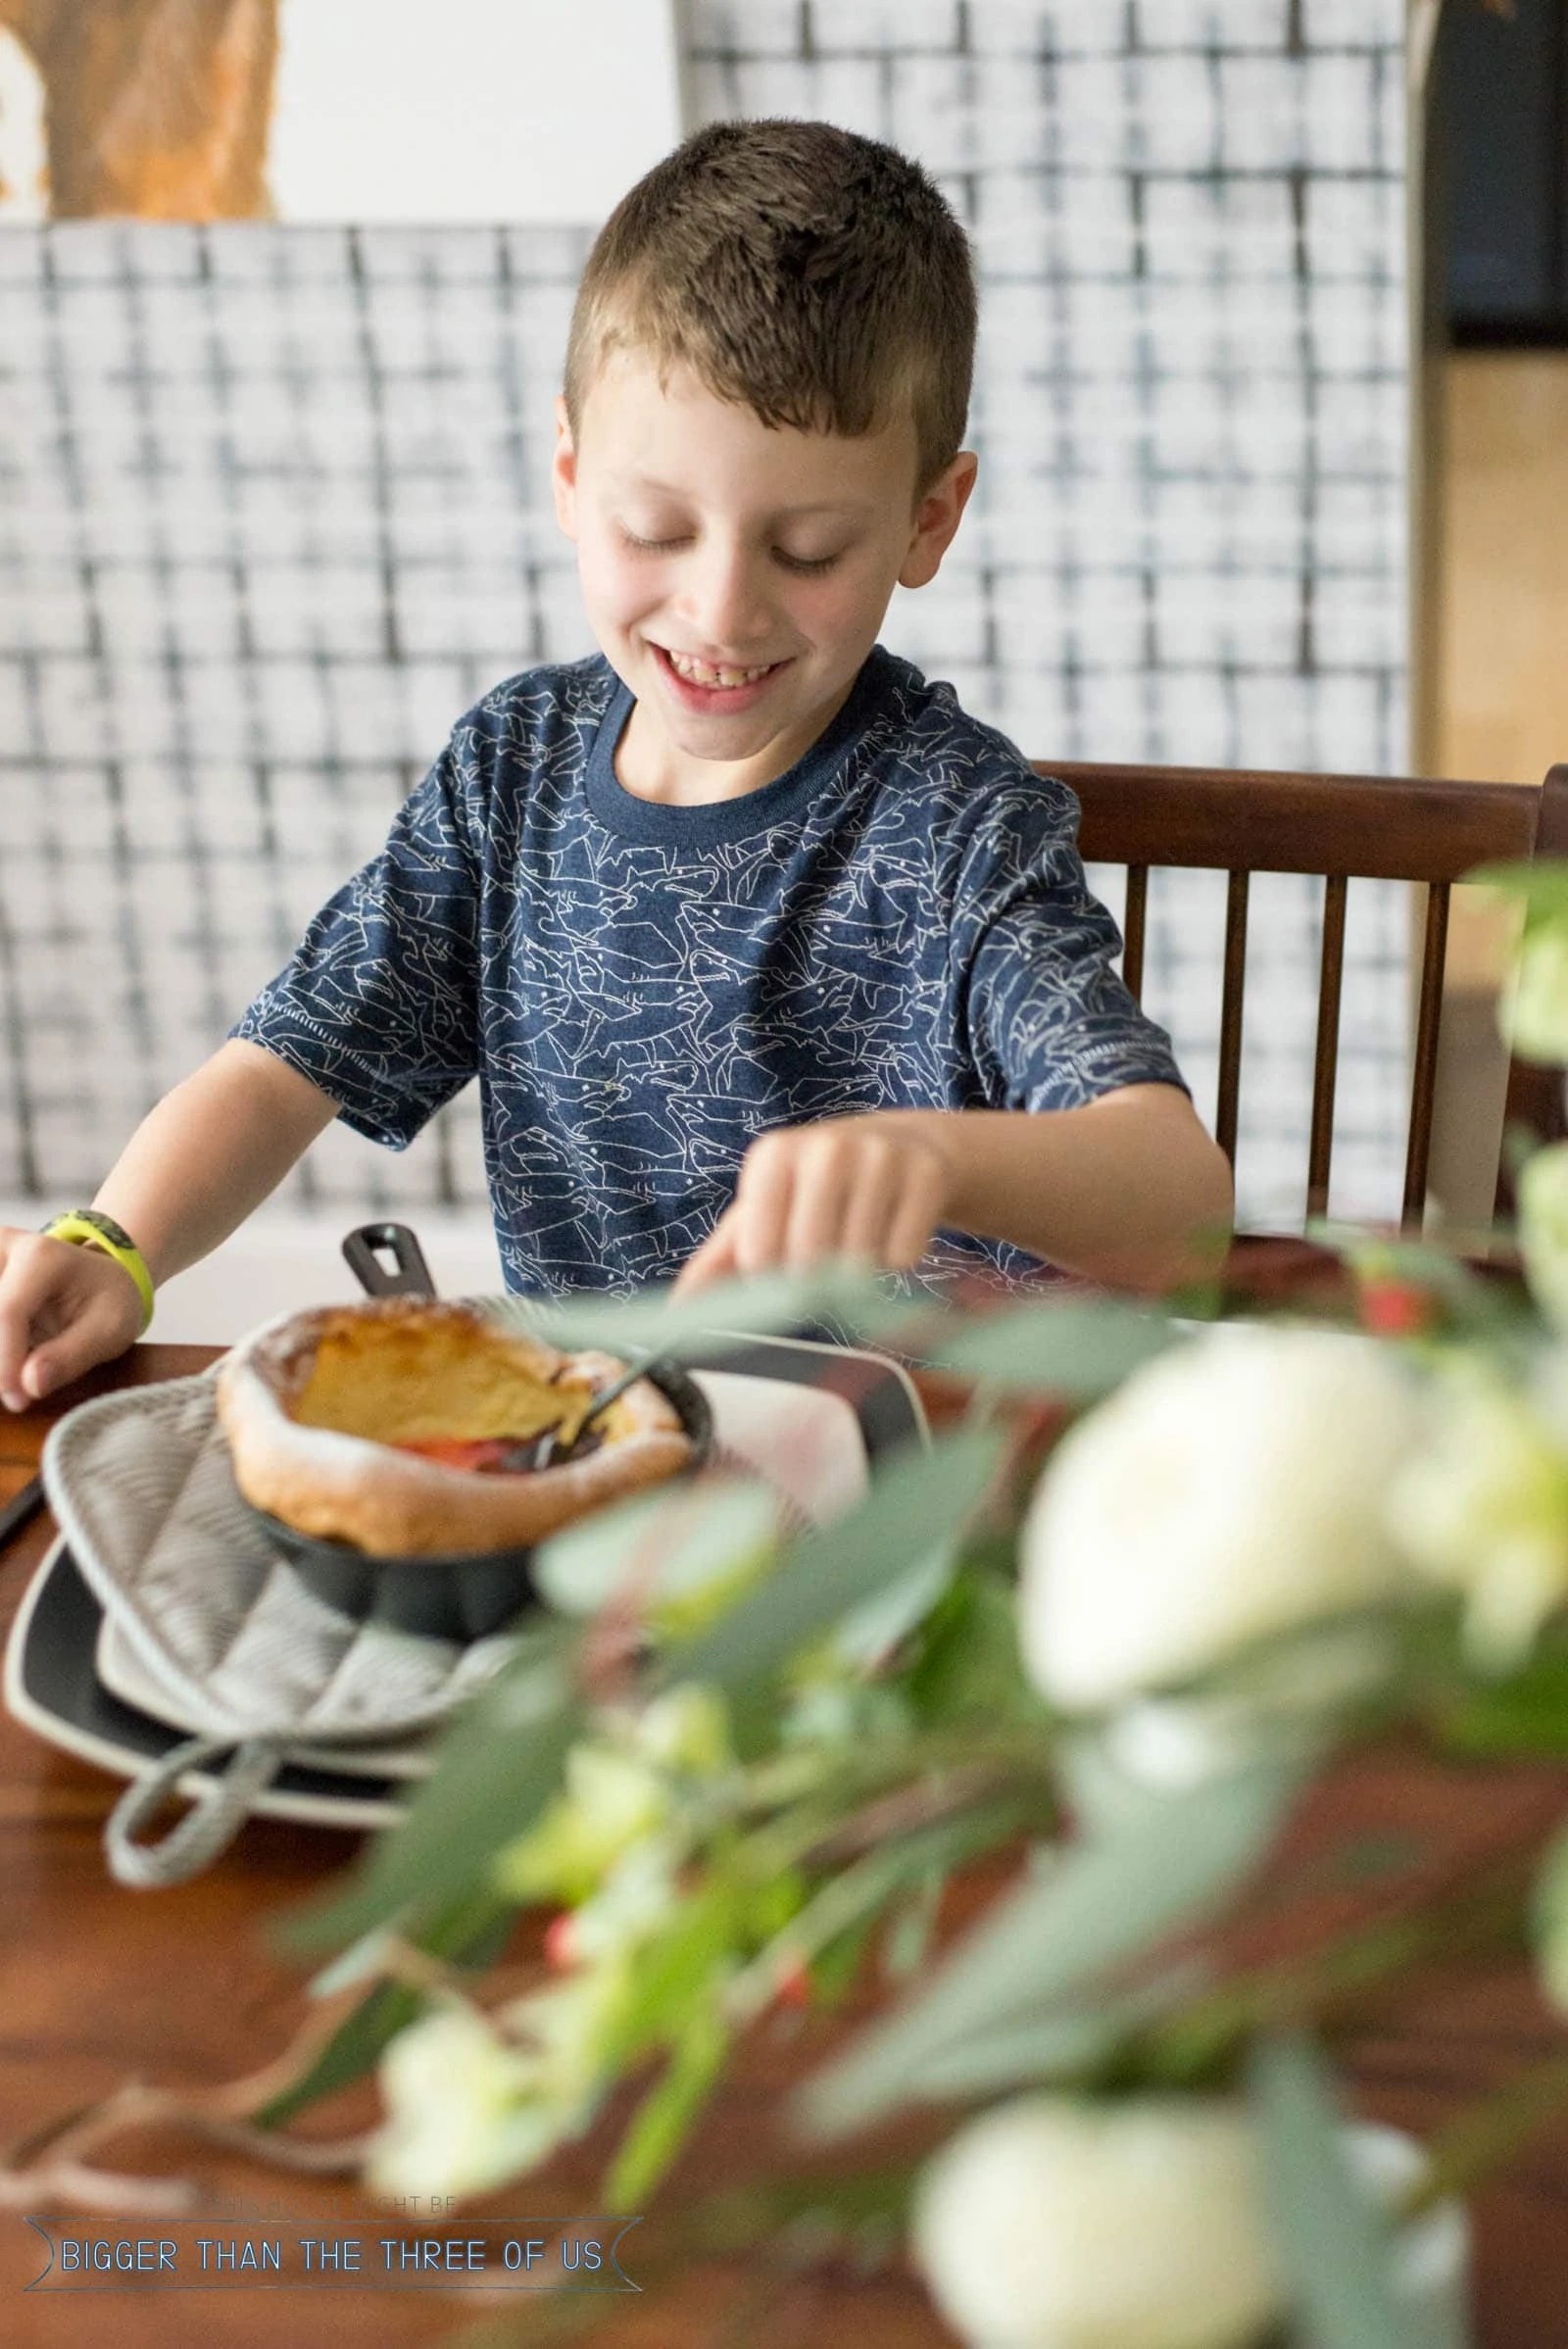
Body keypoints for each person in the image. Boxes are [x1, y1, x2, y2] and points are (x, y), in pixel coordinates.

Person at [0, 119, 1231, 1413]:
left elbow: (1179, 1203)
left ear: (929, 521)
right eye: (655, 528)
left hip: (921, 1496)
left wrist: (935, 1155)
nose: (721, 613)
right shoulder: (510, 775)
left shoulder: (957, 828)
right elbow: (284, 1065)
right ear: (572, 478)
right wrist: (112, 1243)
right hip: (604, 1459)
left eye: (806, 548)